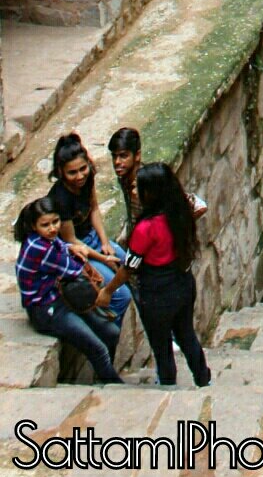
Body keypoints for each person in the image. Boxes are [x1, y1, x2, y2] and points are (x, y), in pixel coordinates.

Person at [98, 163, 211, 388]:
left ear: (150, 193)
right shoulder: (181, 213)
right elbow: (200, 205)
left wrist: (108, 291)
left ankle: (168, 386)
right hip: (183, 283)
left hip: (157, 293)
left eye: (139, 189)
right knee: (187, 335)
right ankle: (203, 380)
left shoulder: (146, 228)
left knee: (161, 346)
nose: (134, 193)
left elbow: (129, 266)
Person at [14, 197, 123, 385]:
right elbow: (73, 268)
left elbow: (61, 246)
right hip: (45, 309)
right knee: (98, 349)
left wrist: (71, 246)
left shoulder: (44, 240)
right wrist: (80, 252)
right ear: (34, 226)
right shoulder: (40, 248)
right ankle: (114, 386)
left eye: (55, 222)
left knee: (111, 333)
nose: (53, 228)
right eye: (45, 225)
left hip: (59, 297)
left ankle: (105, 377)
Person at [48, 133, 132, 322]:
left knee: (133, 268)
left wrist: (105, 242)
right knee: (120, 295)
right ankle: (113, 335)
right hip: (78, 252)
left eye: (83, 169)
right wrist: (103, 258)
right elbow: (71, 240)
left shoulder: (87, 179)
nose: (79, 176)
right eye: (72, 173)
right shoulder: (60, 199)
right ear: (61, 172)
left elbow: (93, 208)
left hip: (93, 239)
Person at [108, 126, 143, 240]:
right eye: (114, 156)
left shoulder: (149, 181)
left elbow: (197, 207)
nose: (117, 162)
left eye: (123, 156)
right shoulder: (124, 178)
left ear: (137, 155)